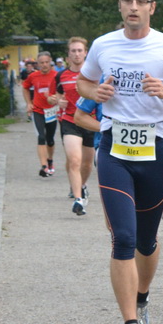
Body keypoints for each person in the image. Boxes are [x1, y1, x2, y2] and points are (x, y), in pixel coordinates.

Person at [76, 0, 163, 324]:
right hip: (114, 150)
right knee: (122, 237)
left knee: (146, 240)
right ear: (120, 5)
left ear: (152, 7)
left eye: (141, 1)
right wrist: (96, 92)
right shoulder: (103, 45)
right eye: (128, 0)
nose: (134, 7)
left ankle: (142, 296)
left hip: (155, 150)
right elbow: (82, 83)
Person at [57, 37, 93, 213]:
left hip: (90, 121)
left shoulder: (94, 75)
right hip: (70, 120)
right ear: (68, 55)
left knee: (86, 164)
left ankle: (82, 185)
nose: (77, 54)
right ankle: (78, 199)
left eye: (80, 50)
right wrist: (58, 101)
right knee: (74, 160)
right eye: (73, 51)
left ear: (86, 53)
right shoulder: (61, 75)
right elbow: (56, 95)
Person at [23, 52, 60, 178]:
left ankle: (50, 160)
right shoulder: (33, 76)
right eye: (41, 62)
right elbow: (25, 87)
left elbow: (62, 91)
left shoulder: (56, 75)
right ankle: (44, 166)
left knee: (50, 140)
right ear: (38, 64)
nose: (44, 65)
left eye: (46, 62)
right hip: (38, 110)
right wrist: (29, 103)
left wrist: (55, 98)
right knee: (41, 136)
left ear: (50, 62)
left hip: (52, 111)